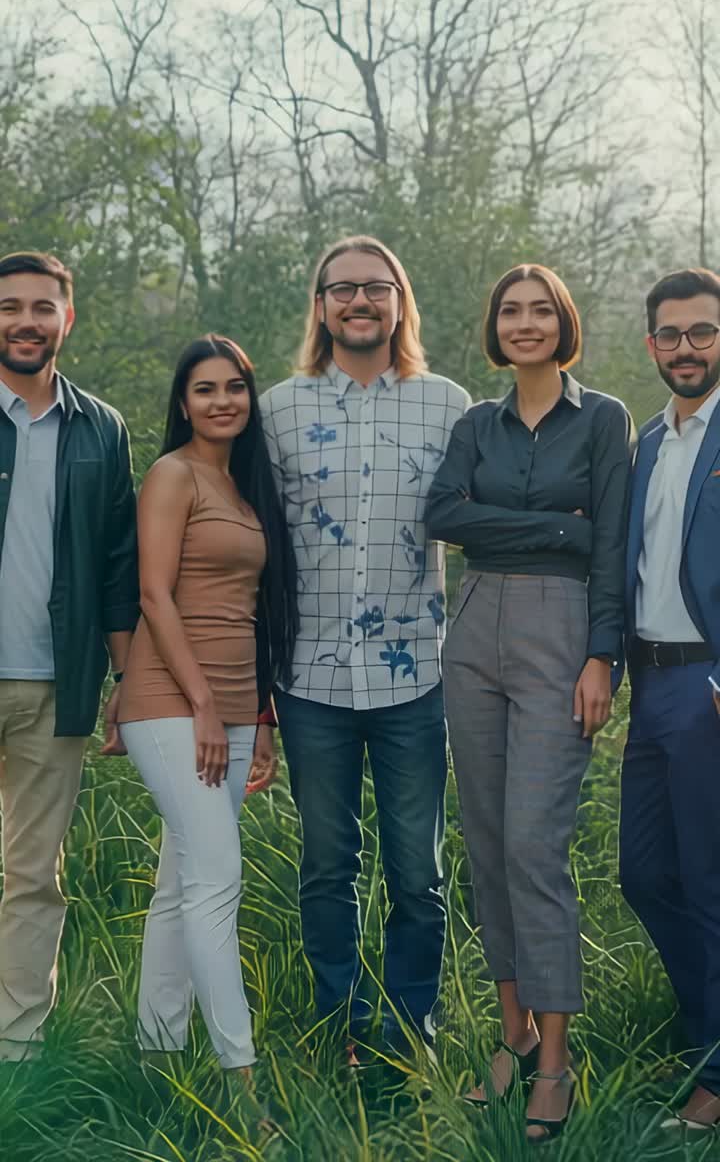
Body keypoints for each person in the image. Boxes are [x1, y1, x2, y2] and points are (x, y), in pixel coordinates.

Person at [425, 263, 633, 1141]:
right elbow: (444, 515)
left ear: (564, 323)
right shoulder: (477, 422)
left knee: (534, 846)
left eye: (539, 309)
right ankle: (509, 1038)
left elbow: (612, 542)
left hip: (561, 628)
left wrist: (602, 658)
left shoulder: (605, 419)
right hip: (475, 627)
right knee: (485, 838)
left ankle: (555, 1057)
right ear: (495, 328)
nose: (523, 322)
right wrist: (562, 527)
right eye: (510, 311)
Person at [258, 235, 470, 1058]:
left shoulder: (450, 405)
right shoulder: (276, 409)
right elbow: (254, 548)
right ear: (320, 306)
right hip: (308, 677)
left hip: (416, 675)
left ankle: (409, 1026)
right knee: (327, 865)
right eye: (341, 289)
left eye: (375, 288)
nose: (359, 302)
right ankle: (339, 1024)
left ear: (399, 301)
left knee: (418, 871)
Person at [108, 335, 297, 1075]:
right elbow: (155, 594)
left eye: (235, 388)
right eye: (205, 389)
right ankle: (238, 1076)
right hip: (170, 702)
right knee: (217, 879)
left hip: (237, 703)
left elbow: (249, 610)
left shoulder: (246, 488)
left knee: (180, 882)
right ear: (182, 403)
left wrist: (259, 717)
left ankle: (157, 1054)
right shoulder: (172, 475)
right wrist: (205, 707)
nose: (222, 402)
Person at [0, 250, 139, 1063]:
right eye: (10, 305)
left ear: (67, 319)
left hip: (58, 687)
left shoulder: (103, 428)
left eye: (41, 306)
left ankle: (17, 1049)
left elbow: (119, 564)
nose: (25, 320)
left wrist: (127, 678)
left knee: (32, 878)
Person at [619, 268, 720, 1132]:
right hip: (649, 684)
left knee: (713, 880)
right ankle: (707, 1034)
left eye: (703, 332)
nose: (686, 348)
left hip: (711, 684)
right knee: (647, 874)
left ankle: (717, 1078)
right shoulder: (647, 442)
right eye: (672, 335)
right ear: (651, 343)